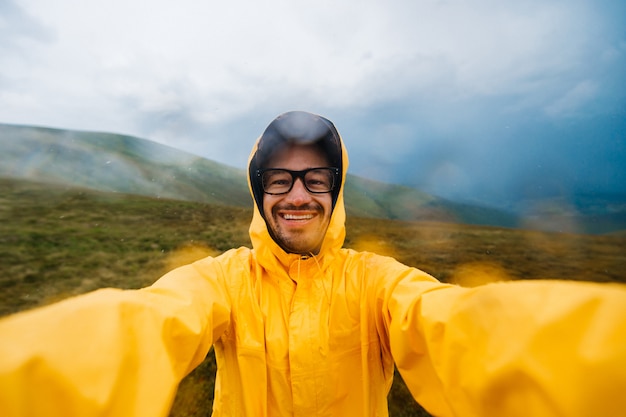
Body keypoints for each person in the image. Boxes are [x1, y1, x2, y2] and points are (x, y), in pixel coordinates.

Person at [0, 111, 625, 417]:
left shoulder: (379, 281)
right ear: (256, 188)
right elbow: (139, 325)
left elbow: (470, 327)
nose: (297, 194)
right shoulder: (220, 280)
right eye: (279, 178)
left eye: (315, 177)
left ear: (337, 187)